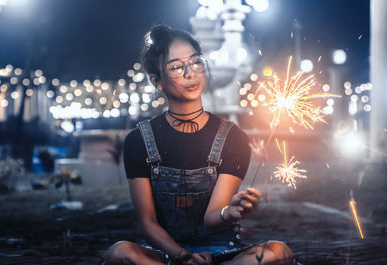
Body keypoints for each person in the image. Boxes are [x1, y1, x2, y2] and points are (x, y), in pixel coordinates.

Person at [104, 25, 294, 265]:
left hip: (222, 253)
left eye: (195, 62)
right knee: (120, 254)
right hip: (167, 255)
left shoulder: (233, 137)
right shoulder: (138, 140)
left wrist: (230, 212)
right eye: (175, 67)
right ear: (157, 81)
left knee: (278, 252)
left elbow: (212, 218)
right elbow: (148, 223)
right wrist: (183, 257)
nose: (189, 73)